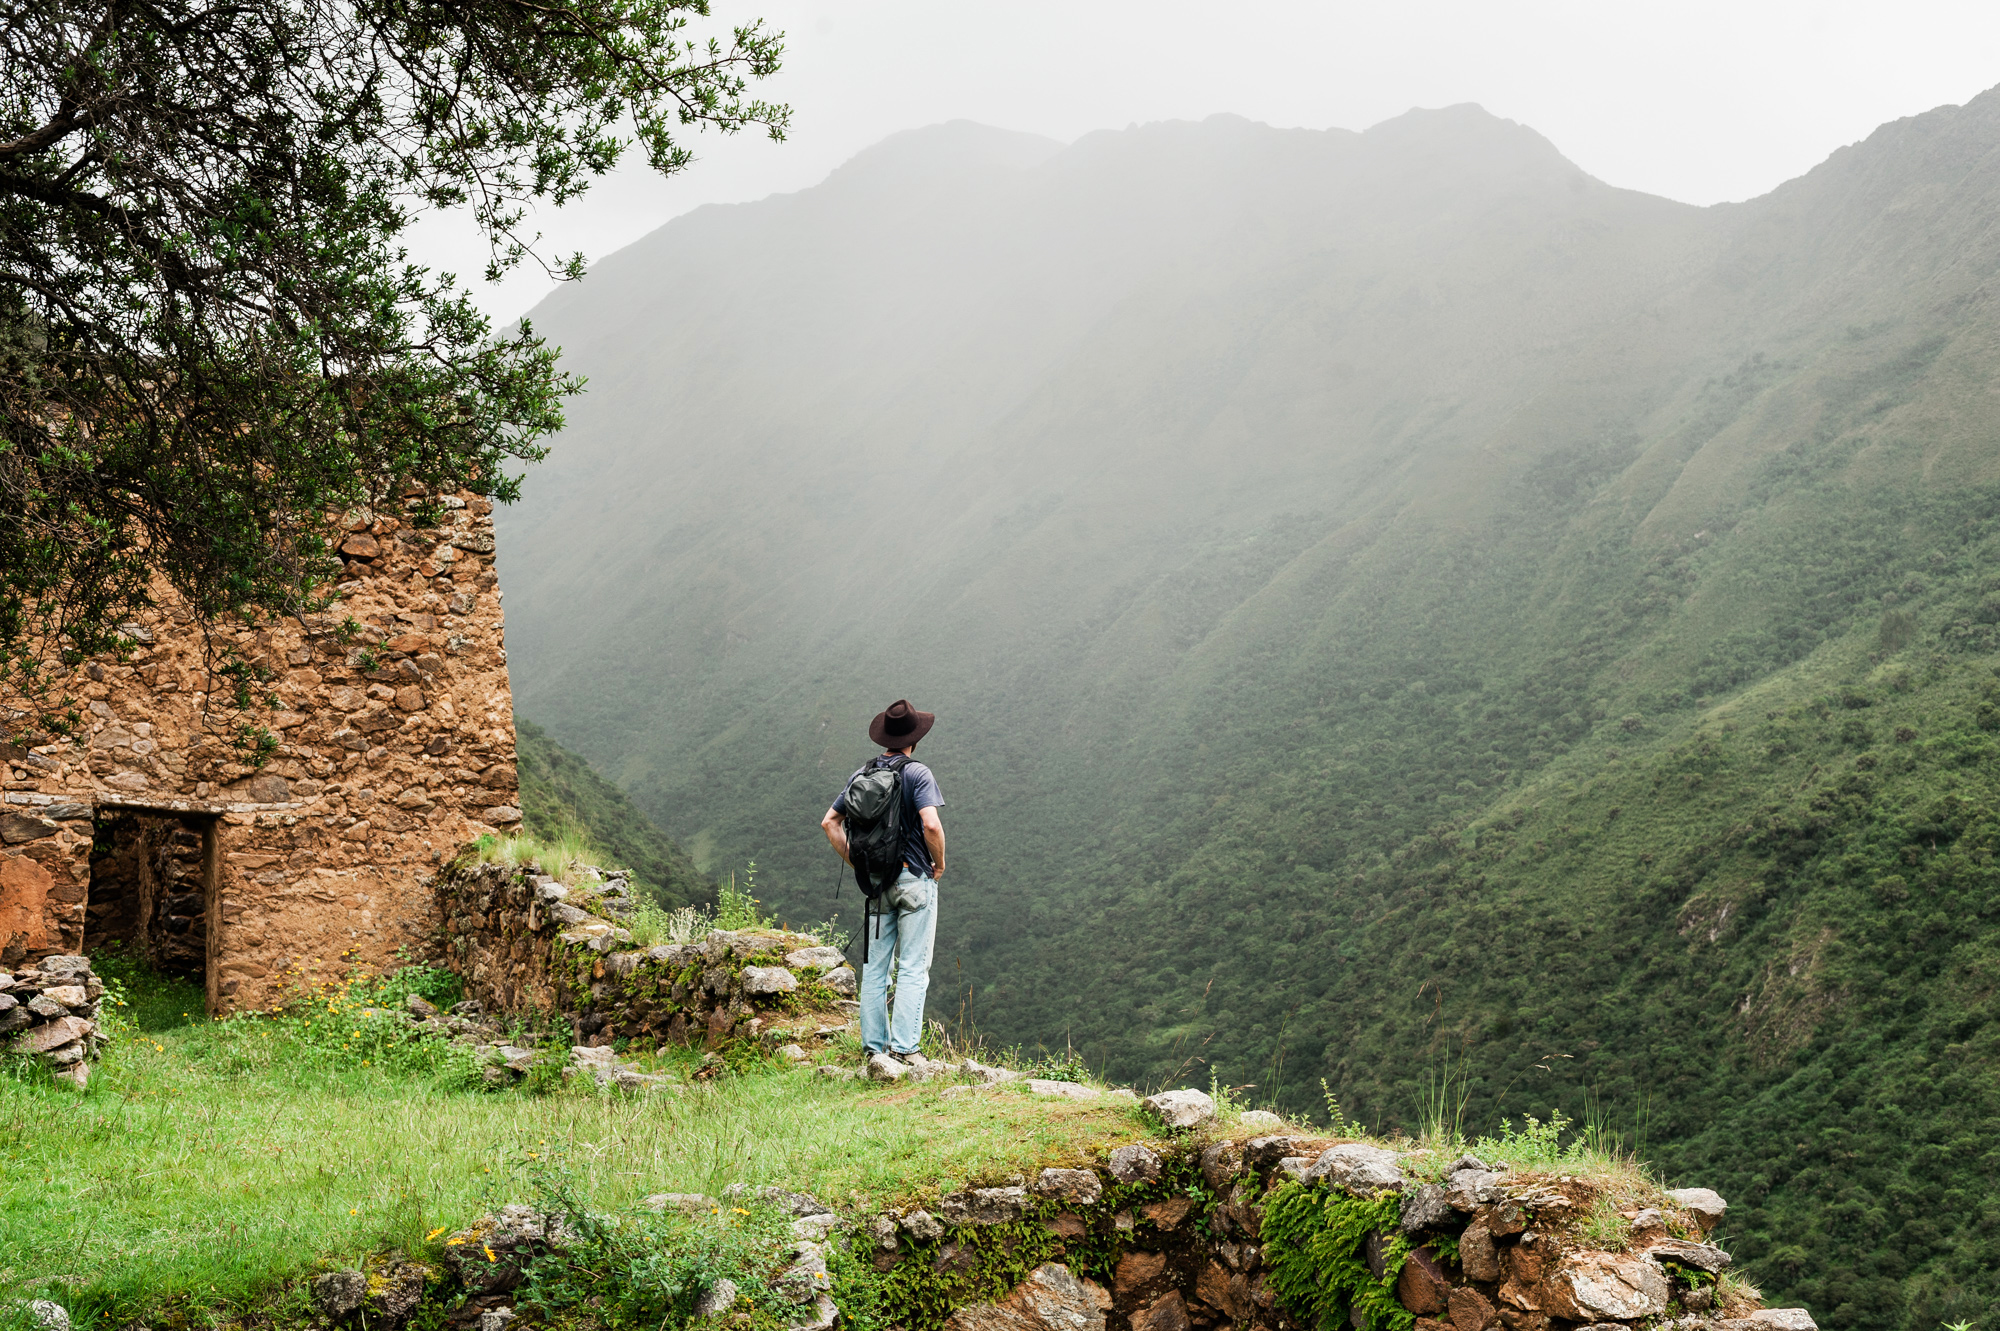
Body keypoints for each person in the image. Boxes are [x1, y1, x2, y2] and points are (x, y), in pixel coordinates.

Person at [819, 699, 945, 1067]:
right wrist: (938, 864)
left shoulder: (862, 774)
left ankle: (874, 1050)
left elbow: (829, 822)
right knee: (911, 967)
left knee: (875, 970)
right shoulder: (918, 774)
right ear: (914, 739)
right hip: (913, 878)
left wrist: (859, 863)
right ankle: (906, 1050)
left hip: (875, 884)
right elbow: (932, 825)